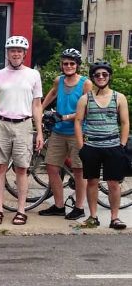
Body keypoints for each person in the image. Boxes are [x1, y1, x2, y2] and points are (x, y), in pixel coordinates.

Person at [0, 35, 44, 226]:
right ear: (7, 53)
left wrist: (39, 131)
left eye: (19, 51)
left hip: (24, 124)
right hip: (2, 124)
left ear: (24, 53)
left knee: (22, 168)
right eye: (12, 50)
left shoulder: (33, 75)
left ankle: (21, 210)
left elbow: (37, 105)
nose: (15, 54)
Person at [74, 61, 129, 230]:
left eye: (104, 74)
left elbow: (125, 122)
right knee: (92, 181)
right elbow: (78, 121)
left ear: (109, 76)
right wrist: (81, 146)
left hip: (113, 145)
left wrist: (122, 145)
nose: (101, 77)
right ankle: (93, 216)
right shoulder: (85, 98)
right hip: (92, 146)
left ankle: (115, 218)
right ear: (93, 77)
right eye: (97, 75)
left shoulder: (119, 97)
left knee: (114, 183)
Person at [38, 48, 91, 220]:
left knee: (79, 170)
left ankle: (79, 207)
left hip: (77, 132)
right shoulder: (58, 81)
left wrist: (66, 116)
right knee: (52, 167)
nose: (68, 66)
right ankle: (59, 205)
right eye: (65, 63)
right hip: (58, 131)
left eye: (71, 63)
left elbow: (87, 109)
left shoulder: (85, 83)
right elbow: (53, 93)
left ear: (77, 65)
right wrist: (41, 108)